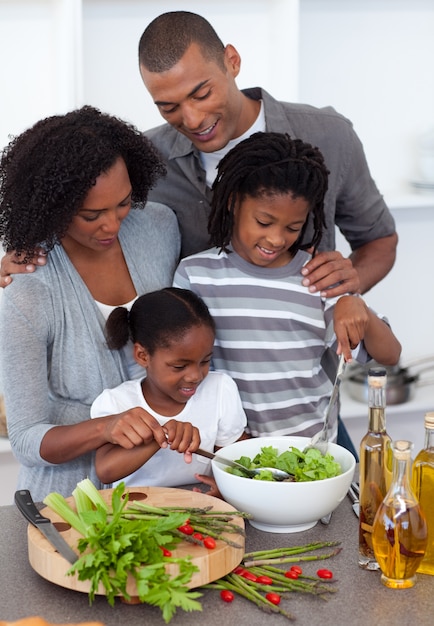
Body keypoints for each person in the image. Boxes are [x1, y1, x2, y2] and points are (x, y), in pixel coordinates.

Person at [0, 10, 397, 300]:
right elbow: (83, 224)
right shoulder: (142, 160)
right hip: (192, 401)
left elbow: (379, 240)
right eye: (168, 107)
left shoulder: (328, 135)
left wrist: (351, 283)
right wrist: (21, 264)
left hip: (307, 396)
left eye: (201, 93)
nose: (192, 119)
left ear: (232, 61)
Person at [0, 106, 190, 501]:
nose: (113, 224)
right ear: (52, 207)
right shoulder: (29, 285)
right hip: (69, 502)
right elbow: (25, 438)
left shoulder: (159, 227)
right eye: (91, 215)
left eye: (122, 203)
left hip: (165, 488)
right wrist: (106, 426)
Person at [173, 132, 402, 443]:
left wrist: (357, 304)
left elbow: (389, 354)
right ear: (233, 202)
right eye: (264, 222)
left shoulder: (319, 280)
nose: (277, 239)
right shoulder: (195, 275)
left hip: (310, 456)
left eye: (293, 227)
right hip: (231, 456)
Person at [91, 287, 247, 496]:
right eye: (179, 366)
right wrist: (161, 435)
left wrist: (228, 486)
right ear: (143, 355)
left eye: (205, 361)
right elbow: (106, 470)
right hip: (136, 512)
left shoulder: (220, 389)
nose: (196, 376)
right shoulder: (116, 402)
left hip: (200, 504)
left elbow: (236, 456)